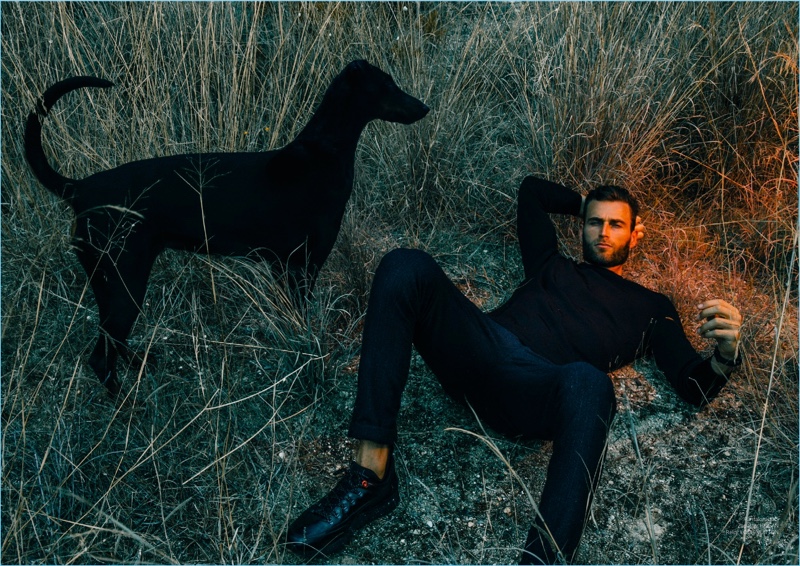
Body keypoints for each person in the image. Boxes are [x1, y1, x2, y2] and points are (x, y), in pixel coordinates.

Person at [285, 176, 743, 564]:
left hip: (533, 387)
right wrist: (583, 201)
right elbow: (531, 192)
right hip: (478, 351)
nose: (603, 232)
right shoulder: (549, 263)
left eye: (616, 224)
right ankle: (370, 477)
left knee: (590, 382)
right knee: (406, 264)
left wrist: (725, 356)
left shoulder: (653, 308)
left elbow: (693, 387)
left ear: (634, 235)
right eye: (595, 221)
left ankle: (543, 558)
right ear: (582, 225)